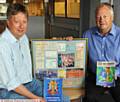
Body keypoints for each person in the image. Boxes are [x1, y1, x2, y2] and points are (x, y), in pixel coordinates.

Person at [0, 3, 45, 101]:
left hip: (30, 82)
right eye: (17, 22)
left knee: (59, 96)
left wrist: (65, 41)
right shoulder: (3, 45)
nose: (21, 26)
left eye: (24, 22)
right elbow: (12, 83)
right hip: (9, 90)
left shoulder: (24, 38)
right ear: (8, 22)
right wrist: (36, 98)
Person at [82, 2, 120, 102]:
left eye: (105, 16)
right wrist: (71, 42)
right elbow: (79, 53)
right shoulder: (87, 34)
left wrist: (115, 73)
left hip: (116, 77)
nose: (101, 20)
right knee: (90, 98)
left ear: (112, 18)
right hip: (95, 77)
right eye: (98, 16)